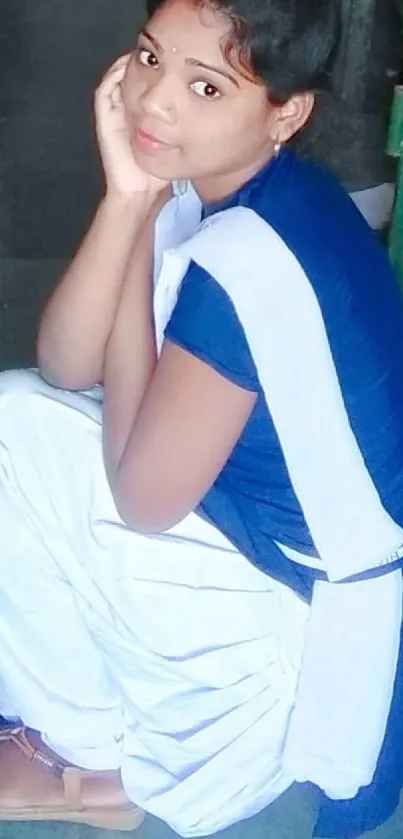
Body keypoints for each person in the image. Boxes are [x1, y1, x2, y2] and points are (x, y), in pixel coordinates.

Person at [1, 0, 403, 837]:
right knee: (27, 413)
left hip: (295, 658)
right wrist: (127, 204)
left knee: (16, 434)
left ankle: (85, 755)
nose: (155, 103)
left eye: (206, 87)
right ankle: (101, 726)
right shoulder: (233, 184)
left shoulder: (252, 257)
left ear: (285, 114)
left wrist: (139, 222)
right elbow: (66, 365)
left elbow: (142, 499)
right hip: (260, 566)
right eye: (148, 59)